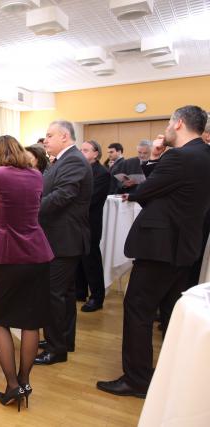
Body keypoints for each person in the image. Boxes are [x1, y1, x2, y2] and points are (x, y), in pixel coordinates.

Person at [97, 105, 210, 398]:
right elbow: (163, 188)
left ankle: (136, 380)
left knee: (138, 309)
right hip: (183, 247)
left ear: (180, 123)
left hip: (160, 246)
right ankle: (171, 373)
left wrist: (158, 157)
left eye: (170, 124)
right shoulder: (203, 155)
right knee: (169, 310)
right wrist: (157, 159)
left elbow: (144, 192)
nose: (167, 131)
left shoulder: (181, 156)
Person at [0, 135, 53, 411]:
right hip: (38, 254)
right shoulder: (35, 175)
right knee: (30, 322)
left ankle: (11, 386)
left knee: (1, 320)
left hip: (8, 256)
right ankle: (25, 381)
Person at [35, 120, 92, 366]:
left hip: (64, 238)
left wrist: (29, 208)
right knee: (65, 294)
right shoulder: (63, 160)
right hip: (60, 237)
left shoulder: (74, 161)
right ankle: (63, 340)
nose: (45, 140)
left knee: (53, 294)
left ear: (65, 136)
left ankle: (57, 349)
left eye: (49, 135)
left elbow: (62, 196)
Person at [75, 140, 111, 312]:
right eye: (80, 149)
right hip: (77, 221)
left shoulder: (102, 173)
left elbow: (90, 199)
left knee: (91, 261)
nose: (81, 152)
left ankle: (97, 297)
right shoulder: (81, 169)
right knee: (79, 259)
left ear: (96, 153)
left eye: (86, 150)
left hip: (90, 223)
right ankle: (80, 291)